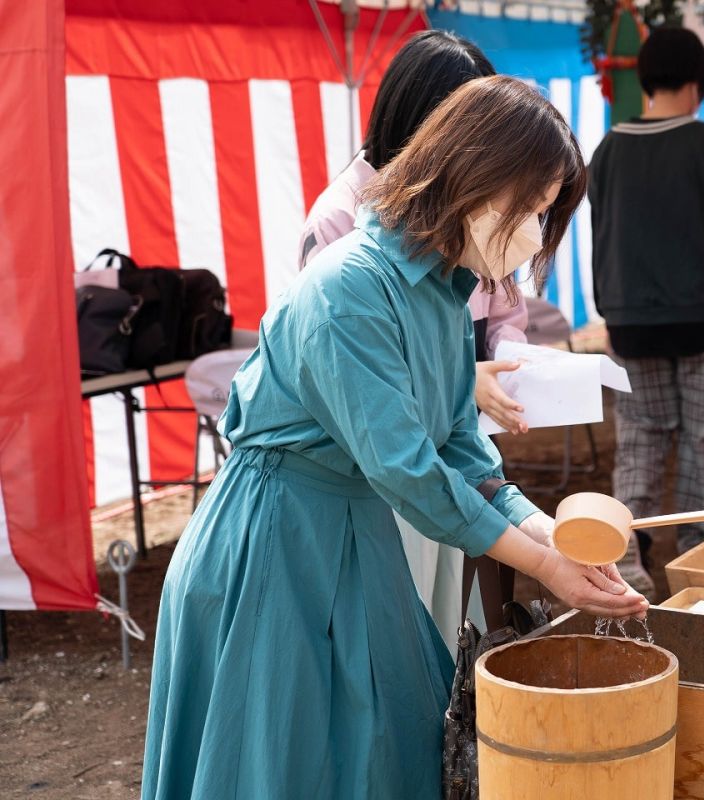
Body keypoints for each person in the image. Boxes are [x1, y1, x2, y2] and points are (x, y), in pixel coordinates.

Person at [142, 76, 648, 800]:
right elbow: (408, 469)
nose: (537, 230)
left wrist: (551, 534)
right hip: (275, 544)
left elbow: (459, 449)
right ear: (476, 176)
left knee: (388, 743)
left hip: (356, 536)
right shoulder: (347, 288)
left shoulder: (442, 289)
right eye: (531, 206)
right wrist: (542, 563)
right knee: (280, 758)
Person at [297, 30, 530, 649]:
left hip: (428, 459)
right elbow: (385, 435)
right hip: (365, 481)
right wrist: (545, 556)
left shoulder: (452, 238)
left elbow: (461, 451)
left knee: (440, 633)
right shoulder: (344, 244)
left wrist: (533, 527)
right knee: (385, 643)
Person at [589, 26, 704, 599]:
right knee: (702, 437)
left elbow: (601, 237)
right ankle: (695, 550)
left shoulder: (608, 151)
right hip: (703, 320)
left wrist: (609, 308)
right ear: (694, 84)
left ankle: (621, 558)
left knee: (638, 438)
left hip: (629, 323)